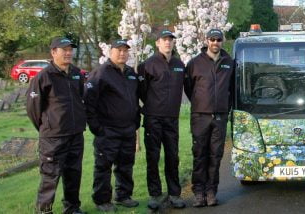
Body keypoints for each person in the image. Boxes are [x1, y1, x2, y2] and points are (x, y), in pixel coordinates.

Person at [27, 37, 86, 214]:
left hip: (75, 134)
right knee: (50, 177)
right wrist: (48, 126)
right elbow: (33, 109)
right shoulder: (43, 77)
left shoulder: (76, 73)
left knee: (73, 174)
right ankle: (44, 211)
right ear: (53, 52)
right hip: (53, 138)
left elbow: (81, 97)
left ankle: (72, 207)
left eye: (70, 49)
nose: (68, 53)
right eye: (64, 50)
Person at [85, 39, 141, 212]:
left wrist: (136, 121)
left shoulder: (131, 73)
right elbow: (89, 101)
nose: (122, 53)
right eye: (119, 50)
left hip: (128, 129)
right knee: (103, 166)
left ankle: (123, 195)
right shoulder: (101, 73)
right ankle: (102, 200)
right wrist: (97, 128)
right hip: (108, 130)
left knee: (125, 164)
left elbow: (135, 97)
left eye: (125, 50)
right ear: (110, 52)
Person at [184, 29, 235, 207]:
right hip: (200, 116)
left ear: (223, 41)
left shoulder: (229, 63)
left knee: (216, 155)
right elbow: (189, 88)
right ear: (206, 41)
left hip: (220, 116)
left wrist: (224, 108)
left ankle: (211, 191)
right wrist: (201, 104)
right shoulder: (194, 63)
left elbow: (232, 89)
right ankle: (199, 192)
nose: (215, 43)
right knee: (200, 155)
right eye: (212, 39)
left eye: (218, 39)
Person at [137, 30, 186, 209]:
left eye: (170, 40)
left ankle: (174, 194)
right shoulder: (147, 65)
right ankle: (155, 194)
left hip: (172, 119)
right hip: (153, 119)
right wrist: (152, 108)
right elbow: (141, 91)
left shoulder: (179, 64)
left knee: (173, 157)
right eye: (164, 40)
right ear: (157, 43)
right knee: (153, 157)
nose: (167, 43)